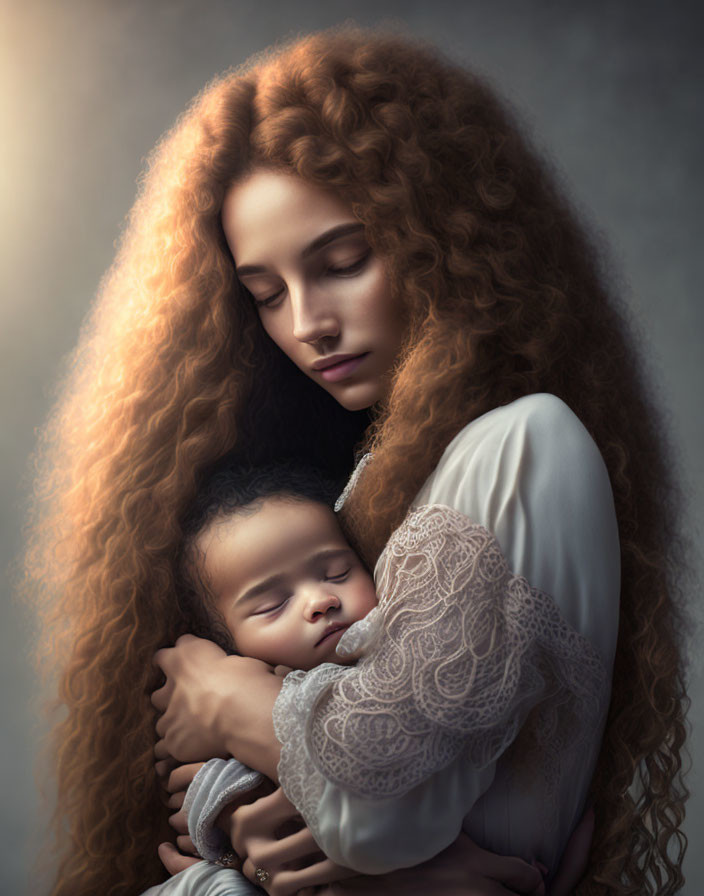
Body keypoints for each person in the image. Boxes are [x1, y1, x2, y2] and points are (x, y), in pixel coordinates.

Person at [27, 26, 689, 896]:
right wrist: (238, 823)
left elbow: (381, 803)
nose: (307, 324)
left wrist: (226, 699)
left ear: (443, 238)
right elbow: (368, 805)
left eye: (341, 263)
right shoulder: (366, 488)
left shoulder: (525, 444)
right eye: (266, 294)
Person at [143, 460, 548, 896]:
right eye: (272, 604)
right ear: (229, 645)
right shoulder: (223, 729)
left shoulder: (401, 668)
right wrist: (227, 831)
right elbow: (208, 814)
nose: (320, 600)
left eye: (337, 572)